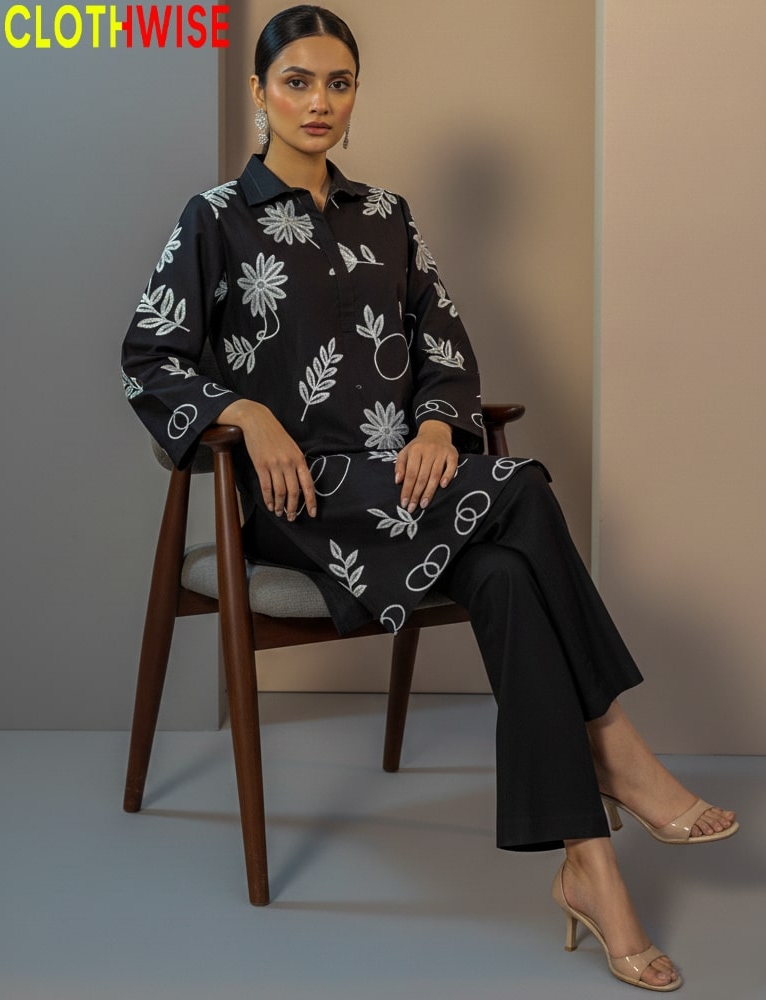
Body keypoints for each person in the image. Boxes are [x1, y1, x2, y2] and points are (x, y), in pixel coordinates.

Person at [121, 5, 737, 991]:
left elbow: (445, 348)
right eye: (297, 82)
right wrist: (246, 410)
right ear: (259, 92)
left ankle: (590, 865)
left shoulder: (388, 216)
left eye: (338, 83)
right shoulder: (215, 220)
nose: (319, 102)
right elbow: (149, 356)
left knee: (505, 575)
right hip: (309, 507)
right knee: (525, 490)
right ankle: (614, 745)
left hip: (414, 488)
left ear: (355, 94)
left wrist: (446, 424)